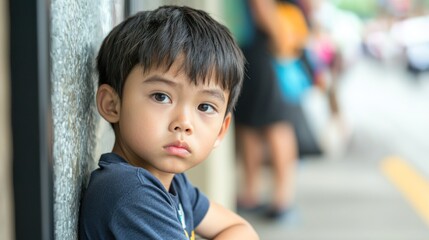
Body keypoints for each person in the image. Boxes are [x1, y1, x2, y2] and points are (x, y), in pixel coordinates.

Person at [79, 6, 259, 240]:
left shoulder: (174, 185)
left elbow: (241, 230)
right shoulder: (130, 192)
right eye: (161, 97)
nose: (183, 123)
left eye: (205, 107)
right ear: (112, 104)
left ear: (221, 130)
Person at [234, 0, 299, 219]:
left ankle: (272, 196)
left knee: (265, 123)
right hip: (258, 49)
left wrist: (280, 41)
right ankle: (269, 196)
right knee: (262, 123)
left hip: (256, 49)